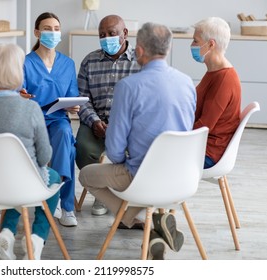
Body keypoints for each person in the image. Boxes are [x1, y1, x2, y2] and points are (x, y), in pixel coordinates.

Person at [79, 22, 197, 260]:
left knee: (86, 176)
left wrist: (124, 159)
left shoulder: (129, 87)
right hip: (182, 178)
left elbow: (113, 151)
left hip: (141, 178)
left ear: (140, 49)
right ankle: (157, 222)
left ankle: (142, 221)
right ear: (169, 47)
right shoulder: (187, 83)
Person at [0, 43, 61, 260]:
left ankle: (7, 232)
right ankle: (36, 239)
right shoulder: (29, 108)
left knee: (13, 177)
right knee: (52, 177)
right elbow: (45, 156)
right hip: (22, 184)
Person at [75, 14, 141, 216]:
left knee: (136, 151)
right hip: (96, 123)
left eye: (111, 33)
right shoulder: (89, 61)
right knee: (84, 149)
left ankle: (126, 193)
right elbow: (82, 98)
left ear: (125, 33)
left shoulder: (140, 61)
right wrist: (94, 121)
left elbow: (142, 101)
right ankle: (101, 194)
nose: (106, 38)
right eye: (102, 35)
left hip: (128, 125)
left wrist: (121, 126)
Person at [22, 12, 79, 227]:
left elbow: (72, 95)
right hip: (33, 122)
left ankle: (64, 206)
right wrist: (21, 94)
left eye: (56, 28)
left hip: (57, 120)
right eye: (47, 28)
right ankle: (61, 200)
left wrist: (73, 105)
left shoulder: (68, 64)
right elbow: (19, 93)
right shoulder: (25, 63)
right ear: (37, 32)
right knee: (68, 149)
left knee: (65, 135)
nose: (52, 32)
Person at [191, 17, 241, 169]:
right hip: (201, 146)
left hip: (208, 153)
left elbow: (204, 126)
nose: (192, 45)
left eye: (195, 41)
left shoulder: (224, 79)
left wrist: (173, 133)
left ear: (211, 44)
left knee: (149, 152)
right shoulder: (214, 72)